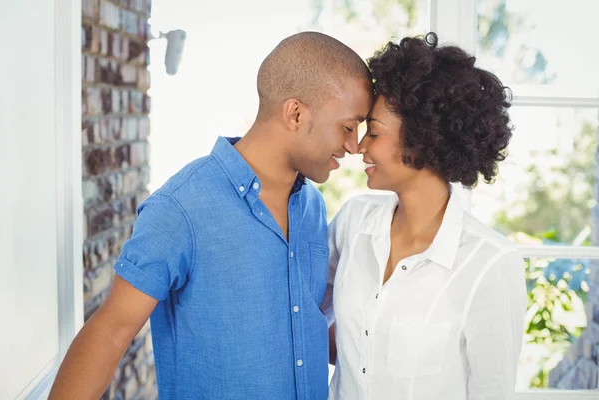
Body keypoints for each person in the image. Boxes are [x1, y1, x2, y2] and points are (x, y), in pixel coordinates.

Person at [49, 31, 373, 400]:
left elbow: (305, 327)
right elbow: (110, 331)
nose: (354, 145)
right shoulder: (182, 207)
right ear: (295, 113)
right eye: (349, 126)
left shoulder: (312, 207)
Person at [323, 32, 527, 399]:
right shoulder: (353, 222)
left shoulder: (490, 264)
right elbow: (302, 316)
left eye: (375, 132)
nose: (359, 146)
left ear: (421, 141)